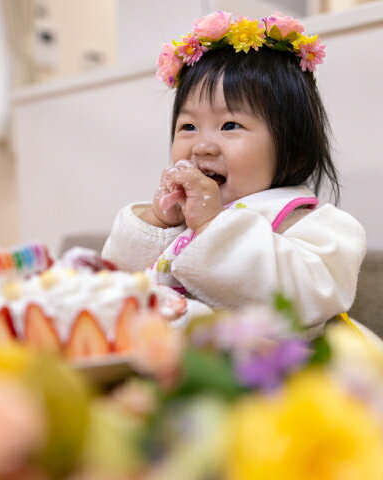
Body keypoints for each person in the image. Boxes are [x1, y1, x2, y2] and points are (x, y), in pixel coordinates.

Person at [102, 11, 366, 337]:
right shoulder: (182, 219)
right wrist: (157, 223)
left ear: (294, 148)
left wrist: (213, 226)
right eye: (188, 126)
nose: (202, 147)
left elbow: (303, 297)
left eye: (230, 125)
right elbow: (115, 284)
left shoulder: (317, 227)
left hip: (270, 366)